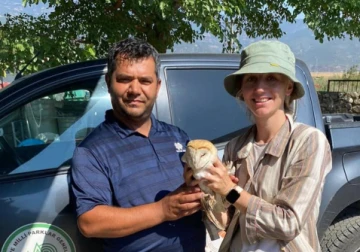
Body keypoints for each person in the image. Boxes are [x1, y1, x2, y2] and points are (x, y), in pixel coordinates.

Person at [185, 40, 332, 251]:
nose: (260, 88)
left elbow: (288, 223)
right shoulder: (235, 147)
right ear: (242, 91)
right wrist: (206, 186)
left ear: (288, 87)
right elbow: (226, 221)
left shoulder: (308, 142)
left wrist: (231, 190)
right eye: (251, 79)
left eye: (271, 78)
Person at [71, 37, 206, 251]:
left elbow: (198, 186)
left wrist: (215, 185)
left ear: (157, 86)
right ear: (109, 83)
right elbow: (90, 222)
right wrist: (162, 210)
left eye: (145, 81)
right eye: (124, 79)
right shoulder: (91, 151)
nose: (135, 89)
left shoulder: (177, 136)